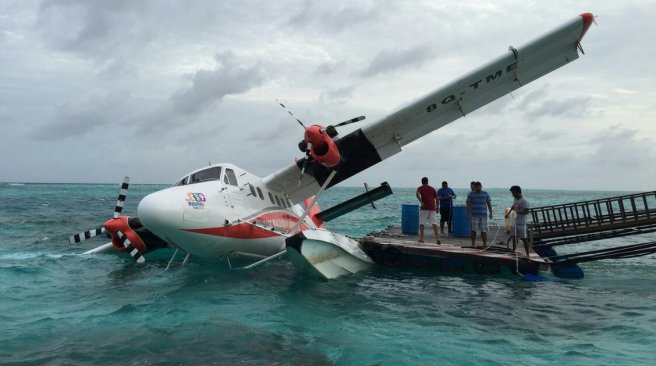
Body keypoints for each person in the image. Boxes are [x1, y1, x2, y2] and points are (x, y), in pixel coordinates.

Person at [466, 181, 493, 248]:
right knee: (473, 230)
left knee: (483, 231)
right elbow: (468, 205)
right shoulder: (471, 194)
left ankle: (485, 244)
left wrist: (491, 213)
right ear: (474, 187)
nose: (478, 188)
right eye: (476, 187)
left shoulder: (485, 193)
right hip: (474, 215)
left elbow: (489, 204)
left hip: (483, 215)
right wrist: (468, 214)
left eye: (479, 186)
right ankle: (473, 244)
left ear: (481, 186)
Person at [506, 185, 530, 256]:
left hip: (522, 223)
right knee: (514, 237)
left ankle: (528, 254)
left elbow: (527, 211)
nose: (512, 195)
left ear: (518, 192)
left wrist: (518, 212)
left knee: (524, 239)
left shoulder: (524, 201)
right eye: (512, 193)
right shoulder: (515, 199)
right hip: (515, 222)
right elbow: (514, 205)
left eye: (513, 193)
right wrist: (509, 213)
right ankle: (514, 251)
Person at [416, 177, 441, 244]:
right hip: (433, 208)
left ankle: (422, 238)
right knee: (434, 223)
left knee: (422, 223)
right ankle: (438, 238)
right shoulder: (432, 189)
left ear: (422, 182)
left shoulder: (420, 188)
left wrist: (421, 202)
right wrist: (437, 207)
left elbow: (417, 194)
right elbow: (437, 198)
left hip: (424, 208)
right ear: (427, 182)